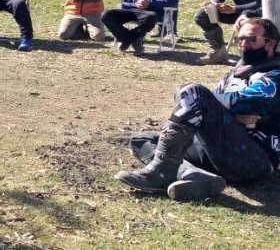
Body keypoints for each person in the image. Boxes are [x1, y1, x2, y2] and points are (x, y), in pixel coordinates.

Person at [114, 17, 280, 202]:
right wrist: (227, 115)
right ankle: (194, 175)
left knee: (194, 92)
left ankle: (162, 173)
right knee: (141, 140)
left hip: (254, 160)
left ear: (270, 44)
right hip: (217, 150)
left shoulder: (275, 75)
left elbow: (237, 102)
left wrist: (208, 105)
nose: (243, 44)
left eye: (250, 39)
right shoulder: (235, 73)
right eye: (240, 39)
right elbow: (207, 106)